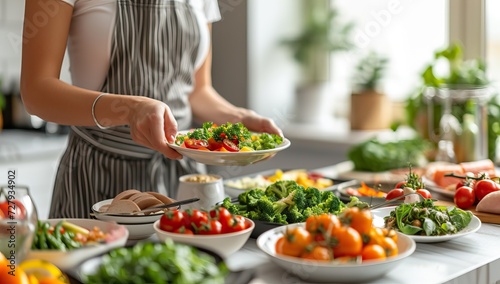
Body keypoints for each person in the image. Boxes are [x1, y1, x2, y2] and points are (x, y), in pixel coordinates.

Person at [20, 0, 282, 218]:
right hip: (97, 175)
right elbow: (36, 91)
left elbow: (197, 91)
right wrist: (129, 109)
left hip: (184, 181)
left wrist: (240, 118)